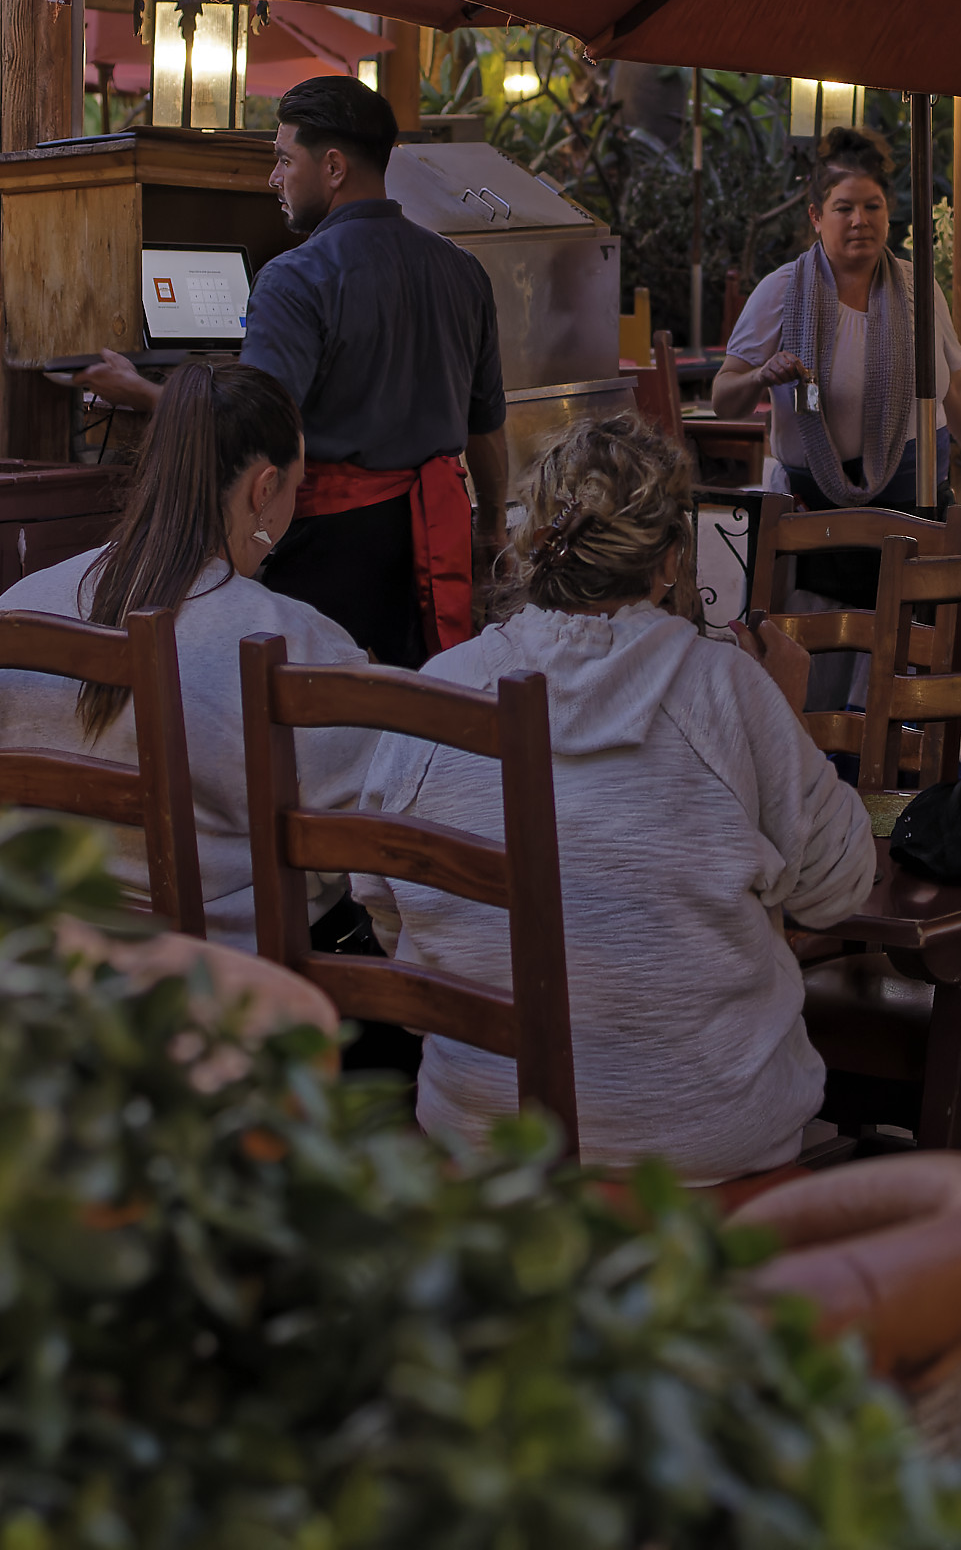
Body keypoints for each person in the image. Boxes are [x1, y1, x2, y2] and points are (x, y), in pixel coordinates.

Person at [358, 414, 867, 1184]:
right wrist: (786, 714)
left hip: (482, 1141)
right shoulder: (726, 691)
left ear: (531, 543)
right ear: (670, 561)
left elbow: (387, 913)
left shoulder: (438, 695)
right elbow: (838, 890)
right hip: (696, 1151)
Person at [80, 76, 507, 668]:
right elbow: (486, 427)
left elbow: (255, 427)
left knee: (322, 706)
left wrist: (142, 393)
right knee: (420, 701)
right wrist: (490, 529)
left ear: (333, 167)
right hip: (437, 543)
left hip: (330, 551)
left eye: (284, 160)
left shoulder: (295, 277)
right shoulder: (464, 270)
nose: (273, 179)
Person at [0, 363, 377, 949]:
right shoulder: (291, 641)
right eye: (295, 490)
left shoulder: (13, 611)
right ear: (264, 489)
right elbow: (362, 838)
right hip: (201, 975)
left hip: (20, 959)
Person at [711, 128, 961, 547]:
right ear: (816, 216)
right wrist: (759, 376)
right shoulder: (782, 291)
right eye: (843, 208)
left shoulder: (918, 285)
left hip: (919, 505)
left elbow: (954, 387)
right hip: (817, 519)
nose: (859, 221)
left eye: (872, 206)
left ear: (888, 211)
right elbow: (724, 400)